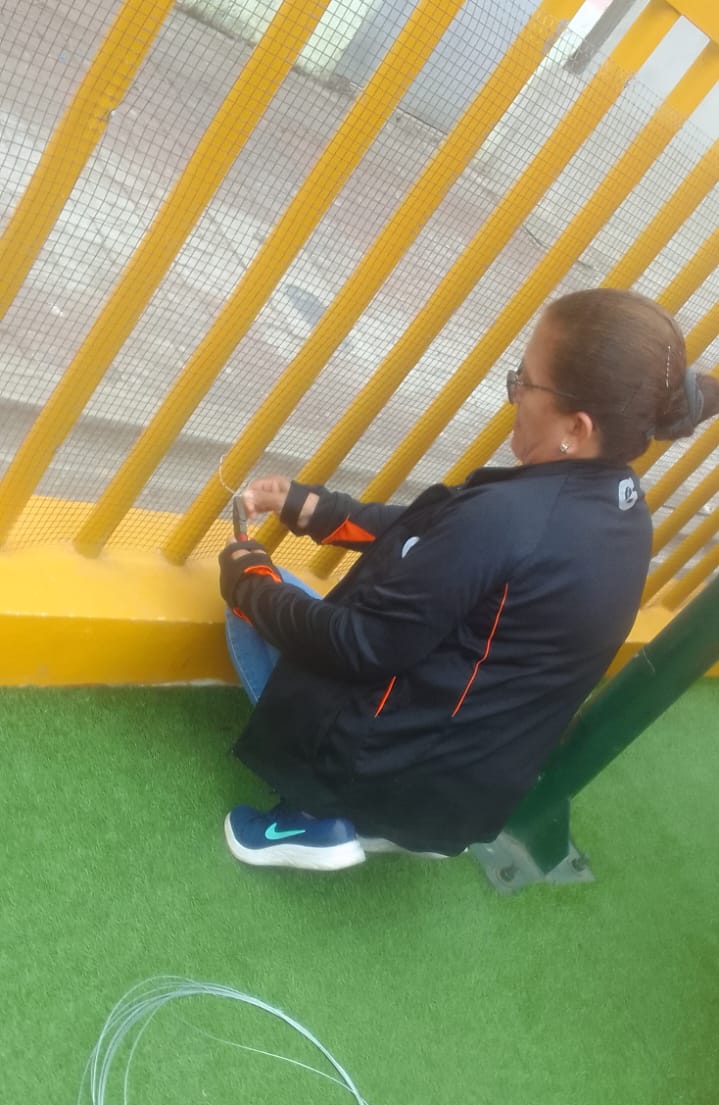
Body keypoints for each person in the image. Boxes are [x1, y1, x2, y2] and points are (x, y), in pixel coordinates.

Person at [218, 288, 718, 872]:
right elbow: (440, 542)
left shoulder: (510, 518)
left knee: (255, 612)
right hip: (462, 795)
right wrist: (316, 510)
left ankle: (318, 814)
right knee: (308, 604)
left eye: (525, 382)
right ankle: (384, 816)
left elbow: (360, 644)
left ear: (576, 428)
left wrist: (249, 582)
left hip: (391, 774)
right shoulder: (623, 512)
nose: (514, 394)